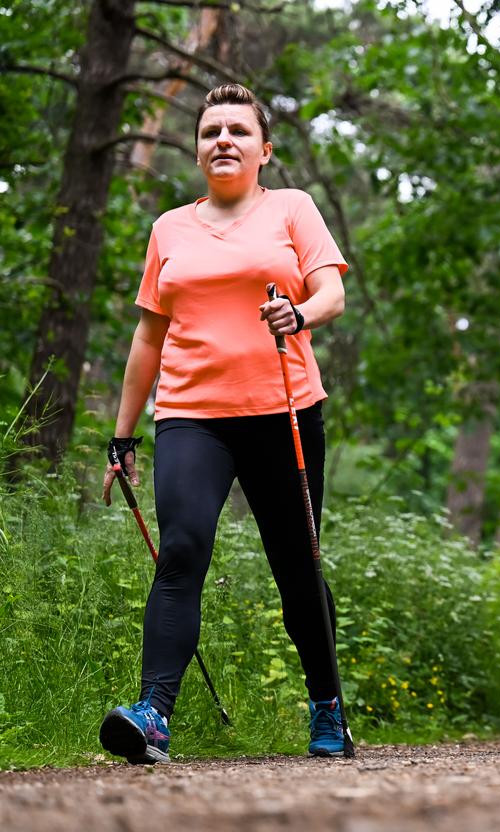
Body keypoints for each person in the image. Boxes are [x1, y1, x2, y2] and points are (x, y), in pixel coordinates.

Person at [98, 84, 348, 764]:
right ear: (199, 150)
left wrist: (301, 312)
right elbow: (148, 339)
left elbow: (331, 289)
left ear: (264, 150)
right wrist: (122, 437)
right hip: (190, 415)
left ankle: (328, 707)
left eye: (238, 130)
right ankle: (153, 715)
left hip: (284, 408)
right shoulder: (169, 229)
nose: (223, 141)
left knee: (297, 564)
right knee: (181, 552)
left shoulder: (292, 209)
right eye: (211, 132)